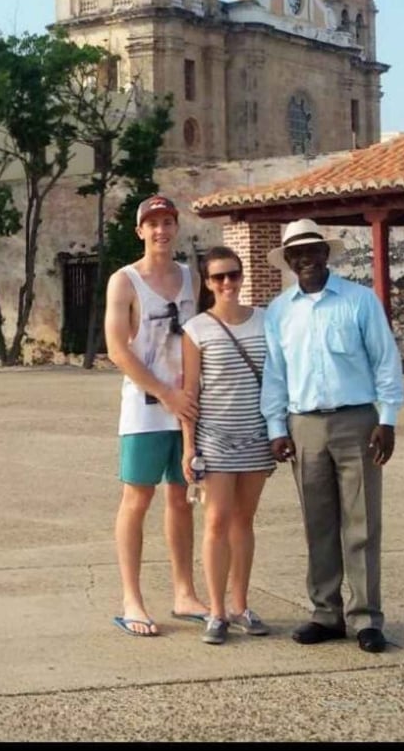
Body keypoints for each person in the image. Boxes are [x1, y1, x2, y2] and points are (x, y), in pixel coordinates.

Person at [260, 218, 404, 654]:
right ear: (288, 260)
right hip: (304, 424)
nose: (305, 259)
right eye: (296, 253)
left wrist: (388, 418)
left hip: (356, 420)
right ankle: (325, 612)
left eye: (312, 250)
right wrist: (275, 428)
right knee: (317, 524)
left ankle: (366, 617)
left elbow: (385, 360)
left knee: (361, 522)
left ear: (327, 253)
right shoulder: (280, 311)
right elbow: (275, 373)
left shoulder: (359, 302)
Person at [103, 194, 210, 637]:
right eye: (153, 224)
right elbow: (116, 349)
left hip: (186, 404)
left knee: (182, 497)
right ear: (140, 231)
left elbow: (201, 335)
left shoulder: (190, 276)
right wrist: (164, 392)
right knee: (137, 498)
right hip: (146, 406)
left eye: (168, 222)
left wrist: (189, 394)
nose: (161, 230)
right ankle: (133, 597)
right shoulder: (125, 281)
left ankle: (184, 591)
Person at [178, 246, 276, 645]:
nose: (227, 284)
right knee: (216, 521)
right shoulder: (197, 329)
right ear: (207, 282)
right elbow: (190, 391)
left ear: (242, 275)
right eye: (218, 277)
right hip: (215, 439)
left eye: (233, 275)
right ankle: (216, 611)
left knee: (244, 521)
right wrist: (188, 447)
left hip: (257, 435)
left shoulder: (266, 322)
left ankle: (240, 603)